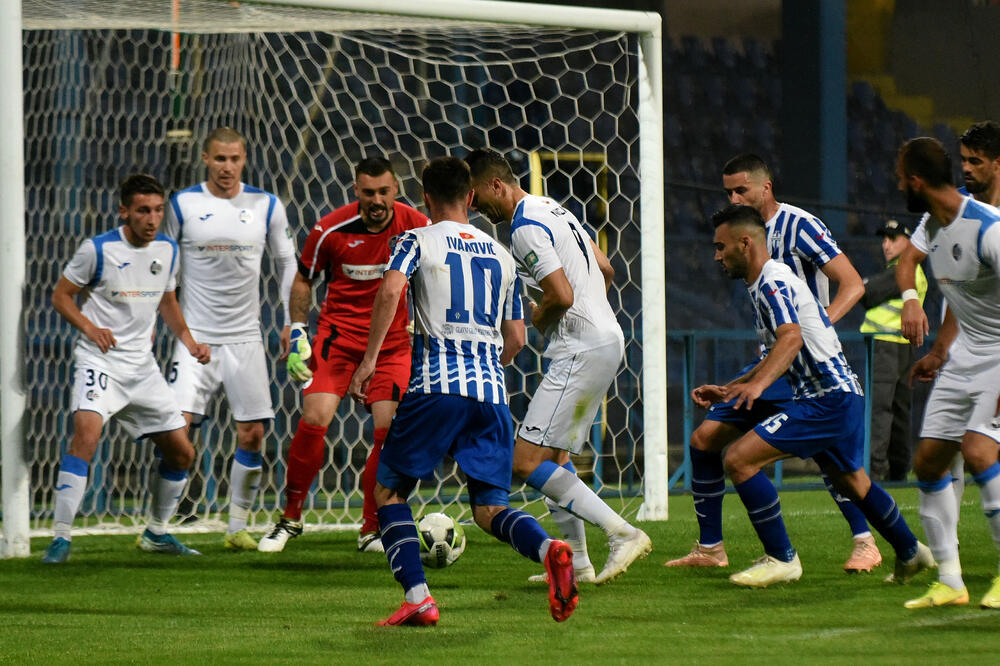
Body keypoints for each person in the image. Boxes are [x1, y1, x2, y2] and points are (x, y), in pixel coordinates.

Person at [347, 156, 578, 626]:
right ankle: (550, 547)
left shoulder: (414, 239)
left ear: (425, 197)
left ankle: (418, 598)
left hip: (435, 386)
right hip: (491, 392)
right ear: (471, 198)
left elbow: (391, 291)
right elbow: (516, 338)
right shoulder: (501, 255)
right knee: (492, 508)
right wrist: (487, 365)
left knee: (388, 493)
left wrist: (369, 361)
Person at [665, 154, 880, 573]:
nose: (733, 196)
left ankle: (864, 542)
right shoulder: (740, 234)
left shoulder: (800, 225)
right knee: (705, 439)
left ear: (766, 187)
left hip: (804, 361)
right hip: (770, 361)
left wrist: (818, 325)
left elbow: (852, 282)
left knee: (829, 458)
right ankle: (711, 549)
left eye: (740, 189)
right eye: (728, 190)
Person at [700, 203, 933, 588]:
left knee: (740, 459)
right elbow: (782, 344)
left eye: (721, 247)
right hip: (835, 394)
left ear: (745, 243)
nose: (717, 255)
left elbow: (790, 337)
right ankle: (911, 551)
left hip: (825, 398)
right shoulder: (765, 282)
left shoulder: (771, 281)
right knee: (853, 482)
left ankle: (782, 557)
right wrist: (732, 388)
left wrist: (756, 387)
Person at [464, 148, 651, 585]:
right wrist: (588, 313)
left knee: (524, 461)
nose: (478, 209)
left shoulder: (524, 229)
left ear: (496, 185)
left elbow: (561, 296)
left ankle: (621, 533)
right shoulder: (553, 207)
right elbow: (604, 267)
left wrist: (539, 321)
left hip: (581, 348)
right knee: (556, 457)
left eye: (479, 198)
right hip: (606, 338)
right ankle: (580, 563)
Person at [257, 156, 430, 554]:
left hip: (391, 345)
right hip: (339, 340)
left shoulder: (417, 227)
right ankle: (290, 518)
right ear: (356, 191)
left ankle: (371, 528)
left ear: (395, 190)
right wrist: (298, 330)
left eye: (384, 191)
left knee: (388, 433)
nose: (377, 200)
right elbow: (304, 279)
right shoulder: (330, 228)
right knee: (314, 419)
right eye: (368, 192)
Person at [41, 174, 211, 563]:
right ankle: (61, 539)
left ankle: (156, 532)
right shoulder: (96, 250)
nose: (152, 219)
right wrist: (90, 328)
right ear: (124, 212)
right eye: (143, 211)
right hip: (99, 360)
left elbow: (167, 300)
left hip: (142, 368)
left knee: (182, 454)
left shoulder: (168, 249)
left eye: (157, 210)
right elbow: (61, 296)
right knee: (86, 435)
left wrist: (190, 342)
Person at [162, 127, 297, 550]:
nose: (227, 167)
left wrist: (292, 322)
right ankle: (159, 528)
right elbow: (164, 268)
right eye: (219, 159)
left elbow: (286, 262)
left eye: (234, 159)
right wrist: (171, 326)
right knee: (177, 434)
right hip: (195, 339)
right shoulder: (183, 204)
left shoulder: (265, 205)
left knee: (253, 433)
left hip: (245, 339)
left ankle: (237, 528)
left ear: (244, 159)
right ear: (206, 158)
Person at [892, 137, 1000, 609]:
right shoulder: (931, 222)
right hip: (963, 358)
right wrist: (913, 303)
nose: (898, 184)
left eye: (900, 177)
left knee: (978, 452)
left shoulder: (989, 229)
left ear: (915, 181)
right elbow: (909, 261)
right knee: (930, 462)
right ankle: (952, 582)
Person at [858, 220, 927, 481]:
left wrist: (863, 284)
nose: (885, 244)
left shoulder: (903, 270)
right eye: (884, 238)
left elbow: (866, 293)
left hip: (885, 346)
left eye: (892, 238)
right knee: (898, 412)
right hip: (902, 347)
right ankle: (898, 472)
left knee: (879, 411)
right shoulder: (912, 272)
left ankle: (874, 473)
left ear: (909, 242)